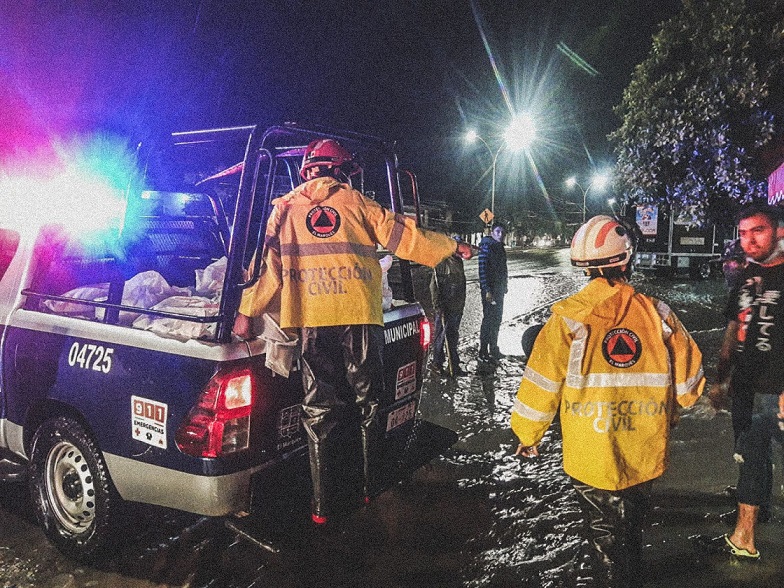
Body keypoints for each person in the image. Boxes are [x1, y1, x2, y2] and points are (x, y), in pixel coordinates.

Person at [233, 138, 473, 526]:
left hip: (311, 321)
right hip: (359, 319)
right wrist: (451, 246)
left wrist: (246, 313)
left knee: (319, 410)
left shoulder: (285, 209)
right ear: (340, 170)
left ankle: (322, 505)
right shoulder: (357, 203)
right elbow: (407, 237)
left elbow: (268, 272)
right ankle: (369, 487)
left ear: (307, 169)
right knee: (370, 403)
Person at [511, 215, 705, 587]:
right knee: (631, 531)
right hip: (643, 449)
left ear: (584, 267)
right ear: (626, 259)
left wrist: (527, 435)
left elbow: (540, 385)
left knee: (602, 537)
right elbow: (690, 387)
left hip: (591, 452)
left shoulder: (566, 320)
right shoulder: (658, 314)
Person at [707, 203, 784, 558]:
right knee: (749, 453)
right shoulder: (743, 276)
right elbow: (733, 327)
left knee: (753, 454)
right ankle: (759, 510)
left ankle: (744, 538)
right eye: (743, 233)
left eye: (758, 231)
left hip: (775, 388)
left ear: (779, 231)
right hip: (745, 385)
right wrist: (721, 379)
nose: (749, 240)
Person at [429, 235, 468, 376]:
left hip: (456, 306)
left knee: (453, 336)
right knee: (440, 336)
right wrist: (437, 304)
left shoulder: (458, 262)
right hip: (445, 307)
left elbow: (461, 285)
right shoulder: (441, 262)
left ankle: (454, 364)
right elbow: (434, 286)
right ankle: (437, 363)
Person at [478, 222, 508, 362]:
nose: (500, 235)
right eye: (497, 231)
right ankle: (483, 351)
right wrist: (487, 290)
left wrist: (505, 285)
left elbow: (503, 269)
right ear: (492, 232)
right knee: (488, 320)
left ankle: (493, 348)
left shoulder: (500, 248)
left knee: (497, 320)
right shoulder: (486, 247)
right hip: (490, 291)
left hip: (499, 290)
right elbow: (482, 271)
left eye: (502, 232)